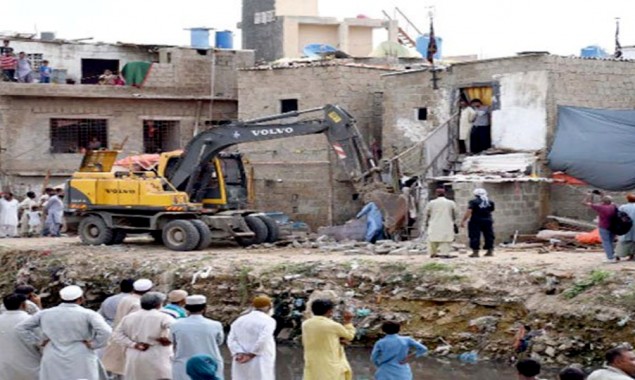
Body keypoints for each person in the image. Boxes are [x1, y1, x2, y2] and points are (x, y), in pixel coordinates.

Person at [16, 285, 112, 380]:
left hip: (53, 352)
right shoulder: (89, 314)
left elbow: (21, 328)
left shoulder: (45, 313)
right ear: (80, 299)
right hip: (80, 353)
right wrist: (94, 344)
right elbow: (106, 331)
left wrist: (38, 342)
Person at [112, 292, 174, 380]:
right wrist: (169, 339)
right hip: (156, 353)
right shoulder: (163, 317)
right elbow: (177, 329)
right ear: (158, 304)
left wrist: (133, 344)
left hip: (135, 353)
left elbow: (117, 334)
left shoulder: (129, 317)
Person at [102, 278, 154, 377]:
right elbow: (134, 326)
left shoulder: (126, 299)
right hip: (130, 343)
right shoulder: (139, 304)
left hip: (118, 339)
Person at [172, 295, 225, 380]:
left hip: (183, 365)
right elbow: (219, 341)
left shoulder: (175, 325)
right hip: (210, 363)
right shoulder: (215, 325)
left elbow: (172, 342)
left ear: (187, 308)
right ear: (204, 308)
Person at [302, 299, 356, 380]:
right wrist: (348, 322)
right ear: (329, 311)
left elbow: (320, 337)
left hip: (313, 362)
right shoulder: (333, 325)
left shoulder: (306, 324)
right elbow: (349, 336)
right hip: (330, 364)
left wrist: (337, 340)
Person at [227, 295, 277, 380]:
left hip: (241, 358)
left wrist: (239, 352)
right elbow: (263, 340)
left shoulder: (240, 320)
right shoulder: (269, 321)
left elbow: (231, 339)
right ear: (269, 307)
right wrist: (251, 354)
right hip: (260, 358)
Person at [0, 293, 41, 380]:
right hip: (30, 365)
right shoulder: (30, 321)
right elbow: (41, 342)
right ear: (24, 305)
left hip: (4, 366)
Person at [583, 191, 618, 263]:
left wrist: (588, 195)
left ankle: (610, 258)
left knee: (606, 242)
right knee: (610, 242)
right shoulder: (613, 206)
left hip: (604, 227)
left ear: (602, 202)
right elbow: (607, 201)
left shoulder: (600, 207)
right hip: (613, 227)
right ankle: (613, 255)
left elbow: (584, 203)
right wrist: (603, 195)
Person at [461, 188, 496, 258]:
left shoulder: (473, 202)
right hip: (488, 220)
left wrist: (463, 220)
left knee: (474, 236)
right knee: (489, 235)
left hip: (475, 221)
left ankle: (475, 252)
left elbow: (469, 211)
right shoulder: (490, 202)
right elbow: (491, 210)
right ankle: (490, 251)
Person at [423, 188, 457, 258]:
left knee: (432, 239)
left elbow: (426, 213)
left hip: (434, 223)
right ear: (445, 194)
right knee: (446, 240)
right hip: (446, 223)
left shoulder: (431, 203)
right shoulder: (450, 202)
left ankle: (433, 253)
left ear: (436, 194)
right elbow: (455, 213)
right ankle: (445, 253)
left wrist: (426, 222)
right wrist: (454, 221)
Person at [616, 194, 635, 261]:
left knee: (623, 241)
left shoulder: (623, 207)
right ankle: (632, 256)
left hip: (625, 226)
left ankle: (617, 255)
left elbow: (618, 216)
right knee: (633, 241)